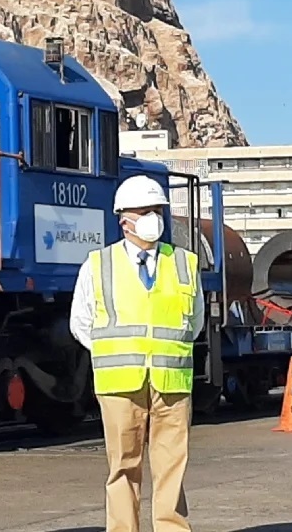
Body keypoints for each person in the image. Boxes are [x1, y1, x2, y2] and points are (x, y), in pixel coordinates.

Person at [68, 175, 204, 532]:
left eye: (157, 210)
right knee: (123, 468)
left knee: (172, 467)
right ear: (123, 218)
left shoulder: (185, 264)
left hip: (171, 383)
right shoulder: (97, 265)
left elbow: (195, 322)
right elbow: (81, 323)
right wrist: (116, 352)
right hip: (119, 384)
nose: (153, 218)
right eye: (145, 211)